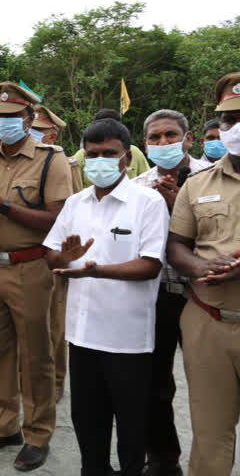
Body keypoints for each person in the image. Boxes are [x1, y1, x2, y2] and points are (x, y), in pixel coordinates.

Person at [44, 118, 170, 476]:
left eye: (109, 154)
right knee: (87, 422)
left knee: (131, 427)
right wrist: (64, 258)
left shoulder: (147, 203)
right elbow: (52, 254)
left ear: (126, 159)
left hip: (127, 339)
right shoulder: (75, 204)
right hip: (82, 335)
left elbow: (149, 265)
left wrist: (94, 270)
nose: (99, 161)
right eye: (92, 153)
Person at [0, 82, 73, 471]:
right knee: (0, 352)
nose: (5, 123)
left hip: (31, 268)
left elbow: (58, 219)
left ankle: (38, 433)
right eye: (0, 117)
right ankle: (6, 426)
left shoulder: (50, 160)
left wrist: (3, 206)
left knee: (36, 355)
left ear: (29, 119)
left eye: (13, 117)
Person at [131, 108, 212, 476]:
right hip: (156, 295)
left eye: (170, 135)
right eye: (155, 138)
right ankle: (163, 458)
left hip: (202, 295)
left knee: (210, 384)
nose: (163, 143)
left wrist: (178, 205)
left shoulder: (211, 179)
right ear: (145, 144)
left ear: (188, 138)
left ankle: (210, 461)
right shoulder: (136, 186)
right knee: (153, 382)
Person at [167, 71, 240, 476]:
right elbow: (177, 245)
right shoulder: (196, 185)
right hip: (208, 323)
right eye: (230, 119)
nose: (236, 127)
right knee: (211, 436)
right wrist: (199, 266)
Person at [33, 104, 84, 403]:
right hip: (26, 250)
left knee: (55, 322)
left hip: (54, 252)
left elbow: (73, 210)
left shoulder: (67, 164)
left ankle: (56, 379)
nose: (31, 135)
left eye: (37, 131)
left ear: (51, 134)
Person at [74, 108, 150, 187]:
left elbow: (147, 179)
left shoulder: (135, 152)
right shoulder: (81, 155)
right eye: (93, 155)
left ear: (128, 157)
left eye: (109, 154)